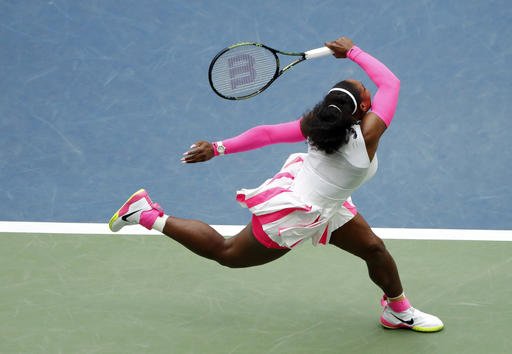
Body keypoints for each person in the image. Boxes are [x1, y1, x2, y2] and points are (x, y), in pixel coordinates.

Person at [109, 36, 443, 332]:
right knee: (227, 253)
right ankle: (146, 214)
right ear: (365, 110)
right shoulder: (368, 136)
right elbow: (392, 84)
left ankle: (398, 310)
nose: (371, 92)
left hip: (327, 203)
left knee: (373, 249)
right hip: (294, 213)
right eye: (366, 94)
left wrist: (217, 147)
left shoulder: (317, 125)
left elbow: (267, 133)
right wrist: (353, 51)